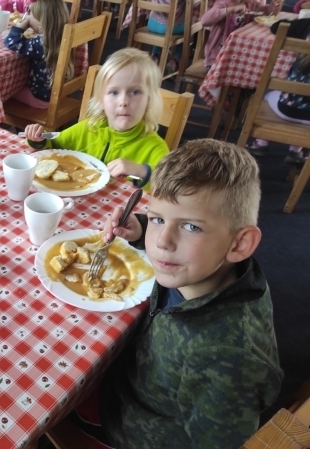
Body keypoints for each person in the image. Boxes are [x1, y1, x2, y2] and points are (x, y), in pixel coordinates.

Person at [96, 139, 283, 448]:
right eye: (158, 219)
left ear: (240, 244)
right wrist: (141, 229)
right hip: (134, 373)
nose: (162, 242)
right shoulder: (198, 267)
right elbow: (171, 238)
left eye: (191, 227)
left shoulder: (226, 361)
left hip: (132, 429)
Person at [23, 48, 169, 189]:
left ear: (149, 100)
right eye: (114, 92)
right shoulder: (88, 128)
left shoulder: (155, 147)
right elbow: (54, 145)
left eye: (135, 92)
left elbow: (169, 187)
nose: (123, 101)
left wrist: (141, 171)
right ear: (101, 101)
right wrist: (40, 140)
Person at [246, 18, 310, 165]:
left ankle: (260, 144)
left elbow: (277, 27)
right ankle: (295, 151)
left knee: (268, 90)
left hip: (286, 110)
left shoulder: (306, 25)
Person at [3, 0, 73, 108]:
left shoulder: (42, 43)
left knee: (4, 93)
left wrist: (25, 23)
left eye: (32, 17)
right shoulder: (67, 35)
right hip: (61, 94)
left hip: (41, 98)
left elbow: (11, 42)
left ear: (42, 22)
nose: (30, 19)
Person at [201, 0, 283, 69]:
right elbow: (205, 21)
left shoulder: (251, 4)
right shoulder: (224, 3)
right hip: (217, 59)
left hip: (237, 56)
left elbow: (267, 13)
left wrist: (274, 5)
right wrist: (231, 9)